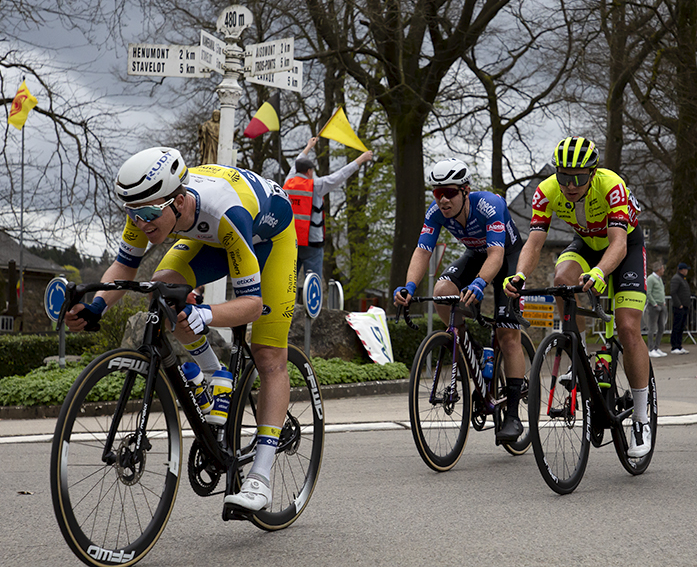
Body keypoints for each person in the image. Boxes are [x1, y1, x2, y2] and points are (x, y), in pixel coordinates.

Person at [65, 147, 296, 512]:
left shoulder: (225, 211)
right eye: (133, 215)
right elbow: (125, 267)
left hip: (267, 237)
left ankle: (261, 477)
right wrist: (95, 307)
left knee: (268, 355)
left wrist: (205, 314)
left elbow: (250, 304)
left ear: (179, 200)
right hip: (209, 238)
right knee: (162, 290)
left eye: (149, 215)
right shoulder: (147, 205)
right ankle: (213, 371)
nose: (141, 224)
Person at [504, 136, 652, 458]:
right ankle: (578, 351)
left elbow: (618, 244)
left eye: (579, 177)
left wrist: (600, 273)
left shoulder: (611, 185)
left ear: (592, 173)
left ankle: (641, 418)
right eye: (564, 176)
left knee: (627, 328)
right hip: (586, 242)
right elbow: (533, 243)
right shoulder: (546, 191)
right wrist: (519, 275)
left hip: (625, 245)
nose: (570, 185)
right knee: (561, 279)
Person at [393, 158, 526, 442]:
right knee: (442, 293)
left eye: (450, 192)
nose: (443, 200)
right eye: (437, 193)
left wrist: (480, 282)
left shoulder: (489, 206)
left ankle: (513, 415)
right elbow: (422, 252)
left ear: (465, 190)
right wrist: (408, 286)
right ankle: (471, 348)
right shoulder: (436, 212)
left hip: (507, 257)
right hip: (476, 255)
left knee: (507, 335)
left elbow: (497, 256)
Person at [283, 136, 373, 279]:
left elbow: (296, 164)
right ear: (308, 172)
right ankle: (312, 302)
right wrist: (361, 159)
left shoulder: (287, 183)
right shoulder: (316, 186)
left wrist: (308, 147)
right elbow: (340, 175)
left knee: (289, 280)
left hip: (292, 240)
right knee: (313, 281)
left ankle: (286, 302)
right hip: (312, 243)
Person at [646, 261, 667, 358]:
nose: (663, 270)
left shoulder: (659, 279)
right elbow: (648, 292)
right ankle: (650, 348)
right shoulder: (651, 279)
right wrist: (654, 304)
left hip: (661, 305)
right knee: (652, 327)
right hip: (654, 306)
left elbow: (660, 291)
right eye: (662, 268)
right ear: (659, 269)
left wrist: (663, 302)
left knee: (661, 327)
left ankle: (656, 347)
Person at [670, 262, 691, 354]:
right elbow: (673, 292)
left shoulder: (683, 278)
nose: (687, 271)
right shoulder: (676, 278)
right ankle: (674, 346)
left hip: (685, 306)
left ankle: (679, 345)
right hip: (679, 306)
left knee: (682, 326)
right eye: (686, 269)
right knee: (677, 326)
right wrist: (679, 304)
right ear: (682, 270)